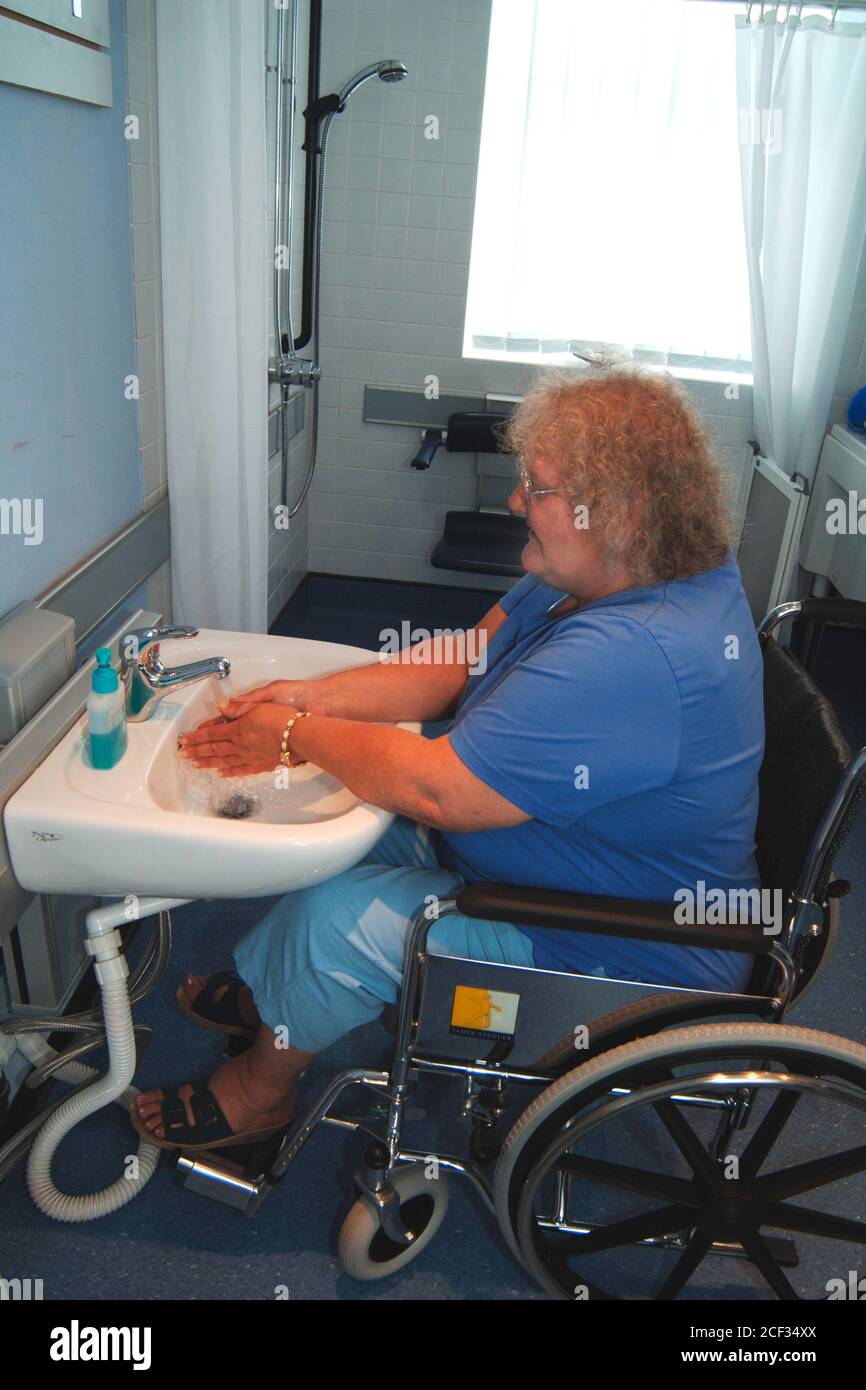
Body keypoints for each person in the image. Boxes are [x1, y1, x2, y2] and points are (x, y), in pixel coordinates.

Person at [132, 364, 764, 1151]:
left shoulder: (639, 653)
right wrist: (312, 700)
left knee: (340, 920)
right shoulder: (610, 572)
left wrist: (292, 736)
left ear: (618, 513)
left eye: (536, 489)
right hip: (557, 860)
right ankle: (279, 998)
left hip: (615, 953)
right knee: (329, 811)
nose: (514, 503)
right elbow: (466, 656)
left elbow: (442, 793)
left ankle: (262, 1092)